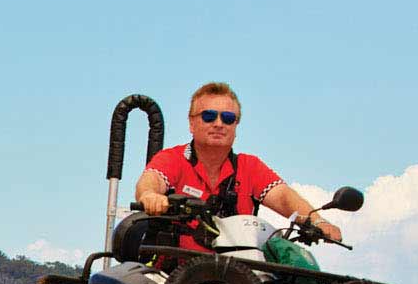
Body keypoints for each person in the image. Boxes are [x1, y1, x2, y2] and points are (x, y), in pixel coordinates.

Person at [132, 81, 345, 245]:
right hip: (174, 273)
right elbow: (151, 180)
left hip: (237, 275)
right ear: (191, 123)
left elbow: (282, 196)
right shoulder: (173, 158)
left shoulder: (249, 166)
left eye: (227, 118)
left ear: (236, 125)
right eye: (208, 116)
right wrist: (150, 196)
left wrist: (317, 221)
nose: (218, 124)